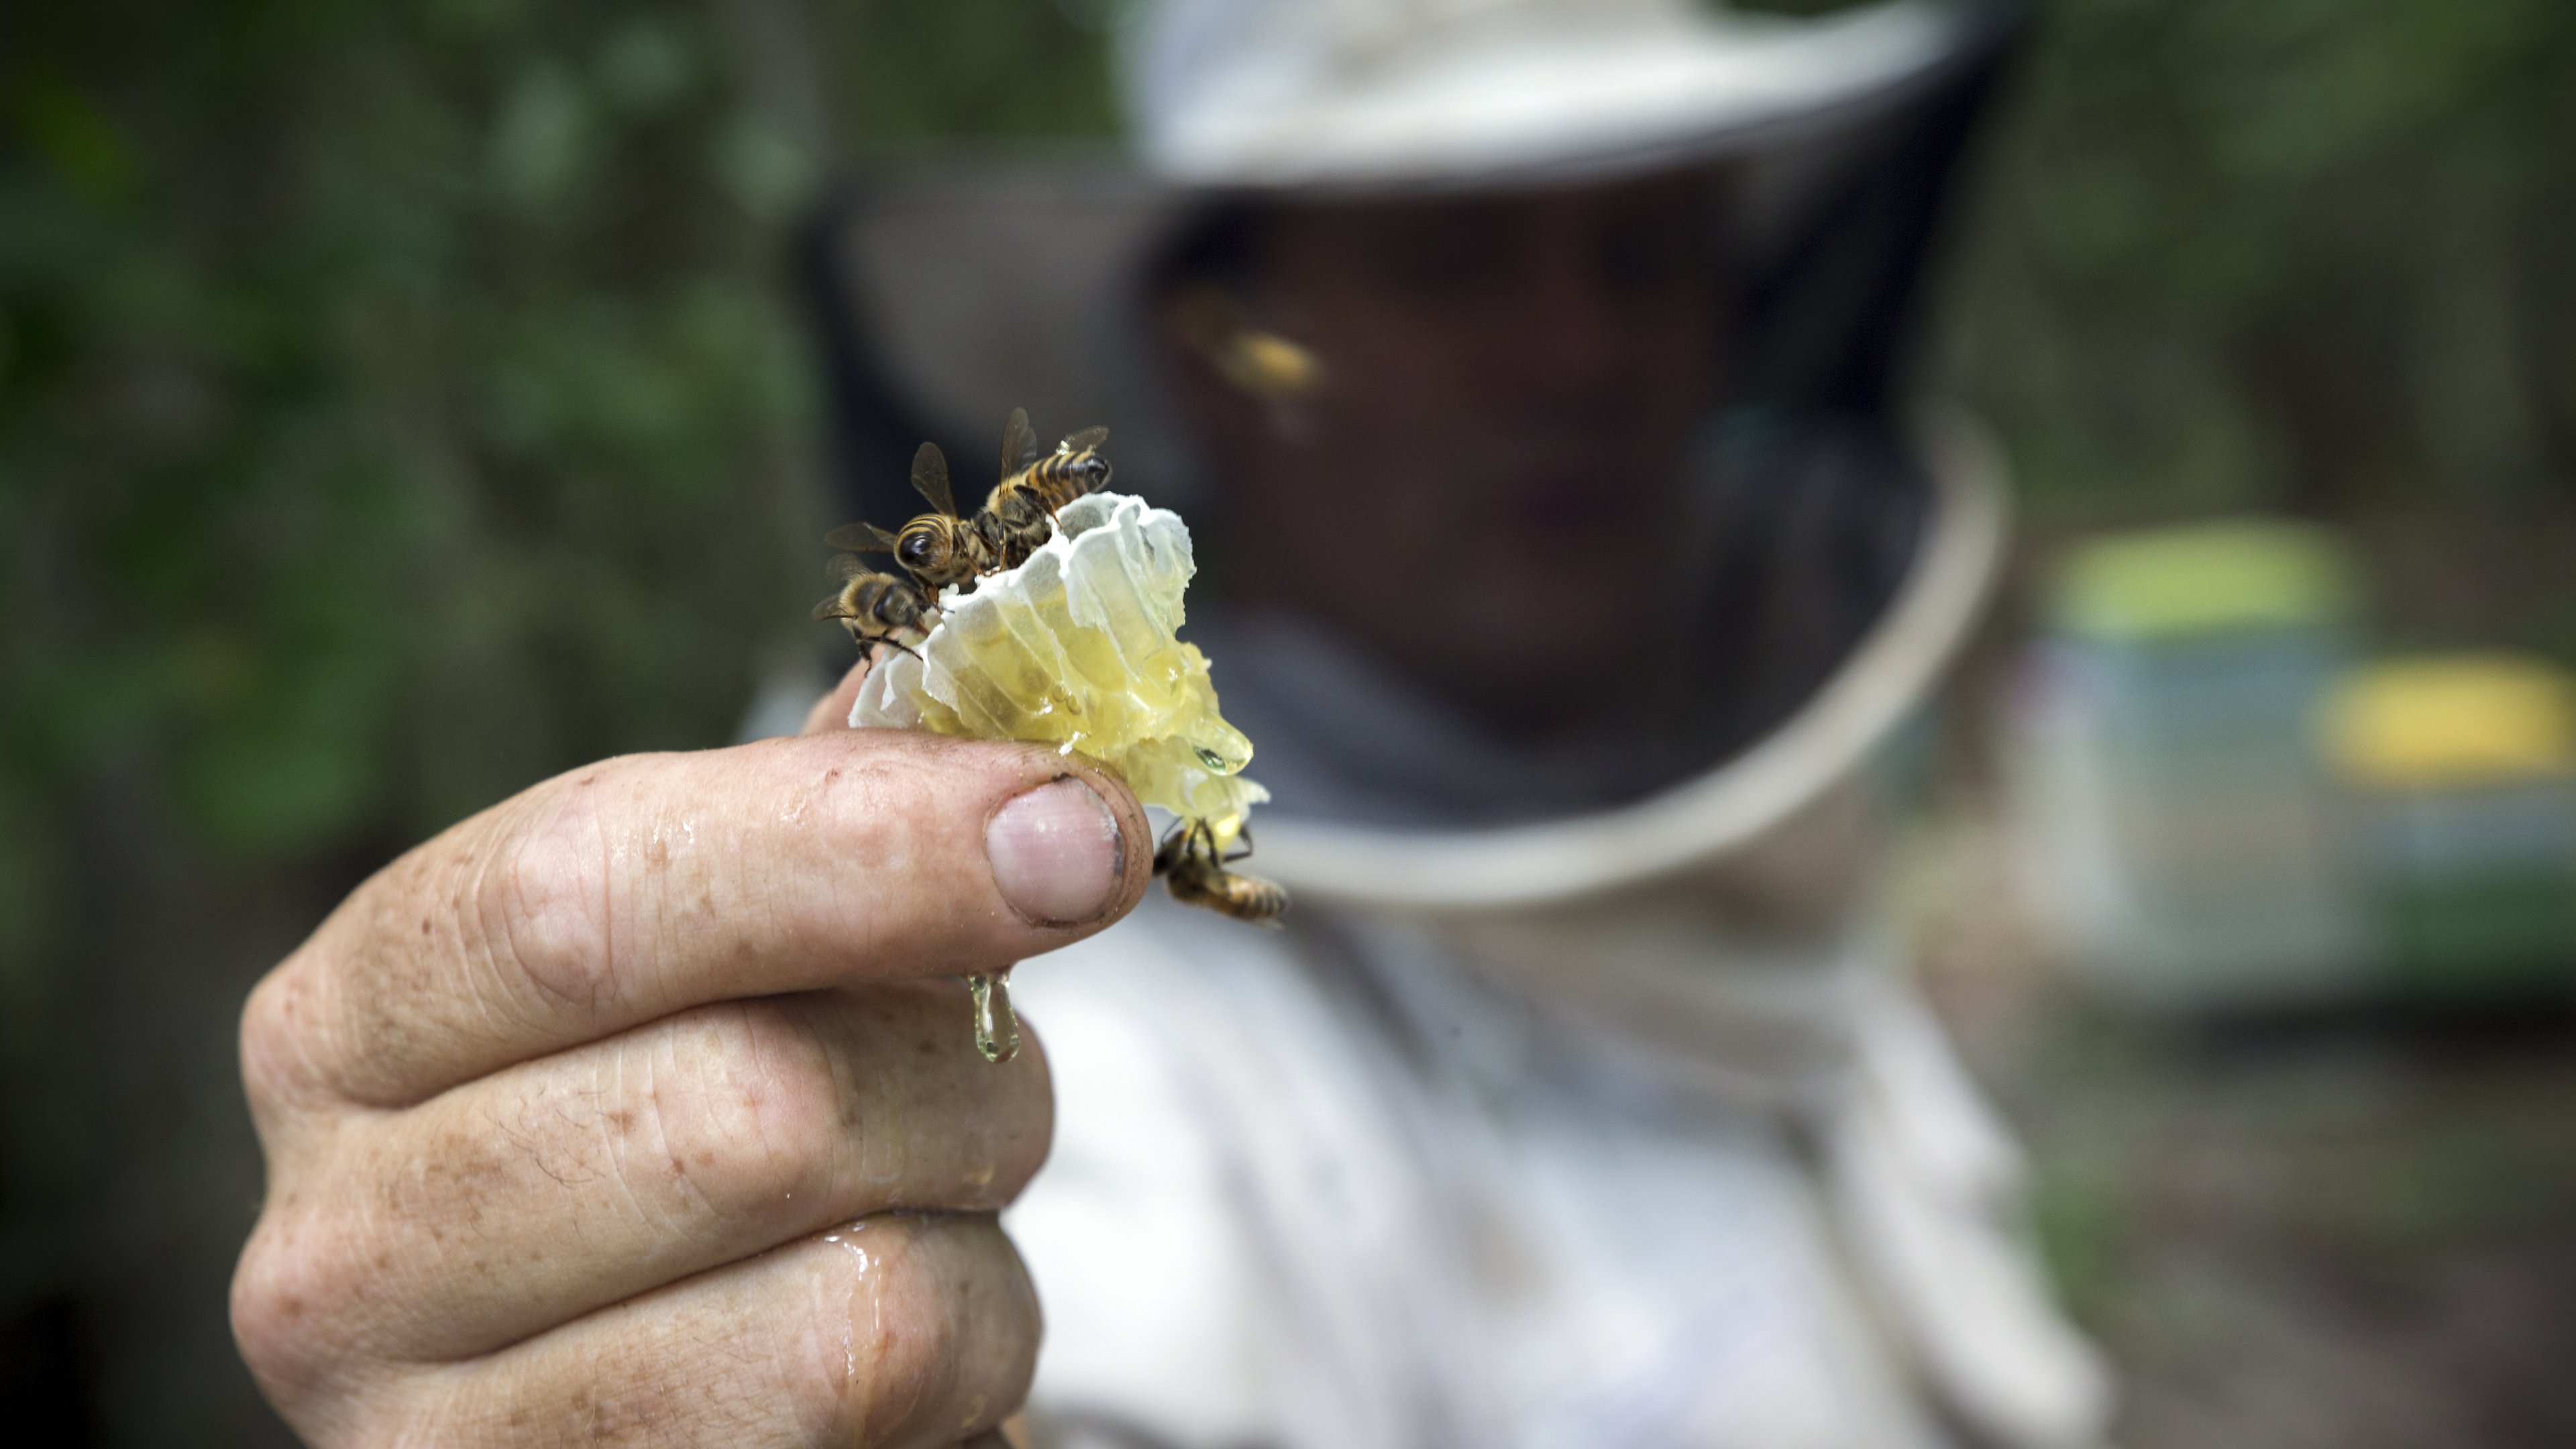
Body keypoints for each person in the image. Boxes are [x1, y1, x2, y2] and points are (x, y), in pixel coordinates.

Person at [234, 2, 2110, 1446]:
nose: (1577, 351)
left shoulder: (1736, 780)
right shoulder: (1081, 1000)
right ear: (1224, 346)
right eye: (1450, 258)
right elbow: (1055, 1296)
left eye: (1649, 252)